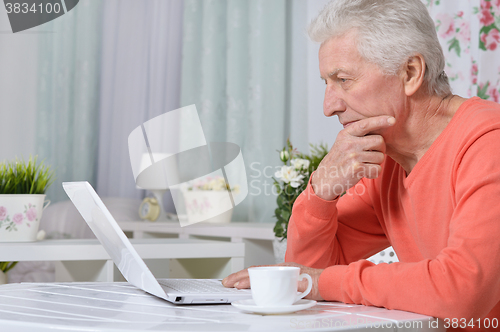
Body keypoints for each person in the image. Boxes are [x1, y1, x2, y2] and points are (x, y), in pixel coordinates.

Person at [222, 0, 500, 328]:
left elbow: (462, 292)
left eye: (343, 79)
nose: (329, 106)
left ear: (410, 73)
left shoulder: (488, 142)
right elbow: (307, 272)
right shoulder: (384, 161)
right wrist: (320, 193)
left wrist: (323, 282)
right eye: (327, 83)